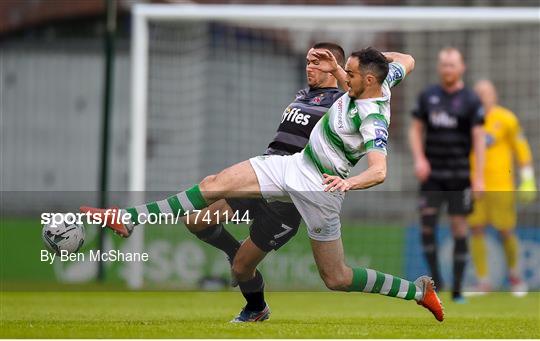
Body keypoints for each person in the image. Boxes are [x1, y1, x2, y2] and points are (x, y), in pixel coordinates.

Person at [82, 47, 445, 322]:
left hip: (320, 189)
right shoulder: (381, 78)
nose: (341, 76)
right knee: (213, 184)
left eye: (347, 73)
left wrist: (348, 183)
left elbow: (379, 170)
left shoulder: (372, 118)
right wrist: (354, 65)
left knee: (336, 277)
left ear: (368, 81)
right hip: (291, 165)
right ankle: (129, 217)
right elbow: (407, 58)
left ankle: (417, 291)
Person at [176, 42, 348, 322]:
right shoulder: (303, 95)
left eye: (317, 62)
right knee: (195, 220)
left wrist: (344, 75)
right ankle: (234, 251)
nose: (309, 67)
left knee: (242, 270)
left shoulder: (341, 105)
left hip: (289, 197)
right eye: (308, 61)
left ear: (333, 66)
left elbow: (360, 100)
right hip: (262, 178)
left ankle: (256, 308)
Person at [409, 47, 485, 302]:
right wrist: (419, 159)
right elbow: (415, 130)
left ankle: (458, 290)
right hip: (432, 175)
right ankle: (437, 282)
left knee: (459, 228)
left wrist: (479, 177)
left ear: (462, 67)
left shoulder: (472, 100)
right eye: (443, 65)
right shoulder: (428, 96)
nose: (447, 69)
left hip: (459, 175)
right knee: (427, 226)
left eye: (452, 65)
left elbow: (478, 139)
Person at [467, 79, 537, 297]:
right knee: (476, 229)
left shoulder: (506, 118)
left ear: (494, 95)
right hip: (473, 185)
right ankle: (483, 282)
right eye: (478, 93)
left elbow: (521, 148)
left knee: (505, 230)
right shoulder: (467, 120)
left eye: (486, 92)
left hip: (501, 185)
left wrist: (527, 178)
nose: (482, 96)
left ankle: (516, 277)